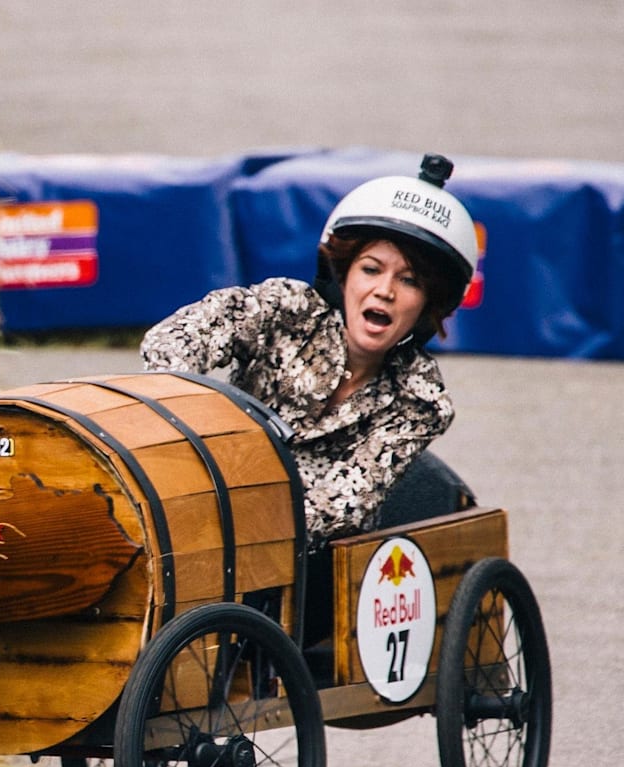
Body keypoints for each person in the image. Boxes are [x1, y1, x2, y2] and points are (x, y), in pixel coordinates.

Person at [140, 153, 479, 560]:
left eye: (408, 280)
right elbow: (173, 340)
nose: (385, 291)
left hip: (305, 560)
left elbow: (344, 505)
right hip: (207, 491)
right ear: (344, 276)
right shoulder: (286, 309)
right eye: (371, 270)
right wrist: (194, 431)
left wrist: (243, 523)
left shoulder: (422, 401)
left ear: (428, 304)